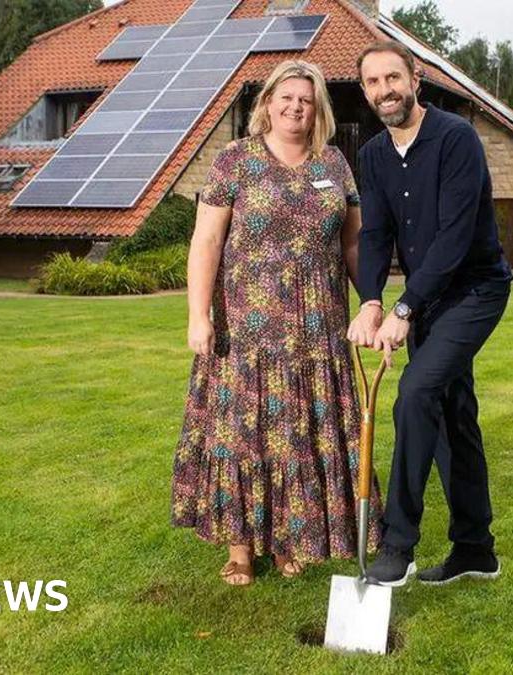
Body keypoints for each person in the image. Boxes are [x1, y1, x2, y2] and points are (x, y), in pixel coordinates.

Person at [172, 60, 382, 587]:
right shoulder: (233, 161)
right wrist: (198, 315)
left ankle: (291, 536)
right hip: (246, 327)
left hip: (317, 327)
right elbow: (207, 242)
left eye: (306, 100)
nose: (296, 107)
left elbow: (353, 243)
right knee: (244, 435)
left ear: (319, 110)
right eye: (286, 97)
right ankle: (241, 547)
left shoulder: (335, 164)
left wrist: (372, 303)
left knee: (301, 434)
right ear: (266, 103)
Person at [347, 41, 513, 587]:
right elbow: (375, 234)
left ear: (415, 79)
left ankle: (398, 543)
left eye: (393, 77)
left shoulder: (456, 139)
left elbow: (453, 238)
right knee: (451, 415)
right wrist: (371, 300)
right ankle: (475, 549)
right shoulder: (372, 155)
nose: (383, 90)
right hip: (428, 299)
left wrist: (405, 308)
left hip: (475, 291)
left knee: (415, 392)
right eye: (372, 82)